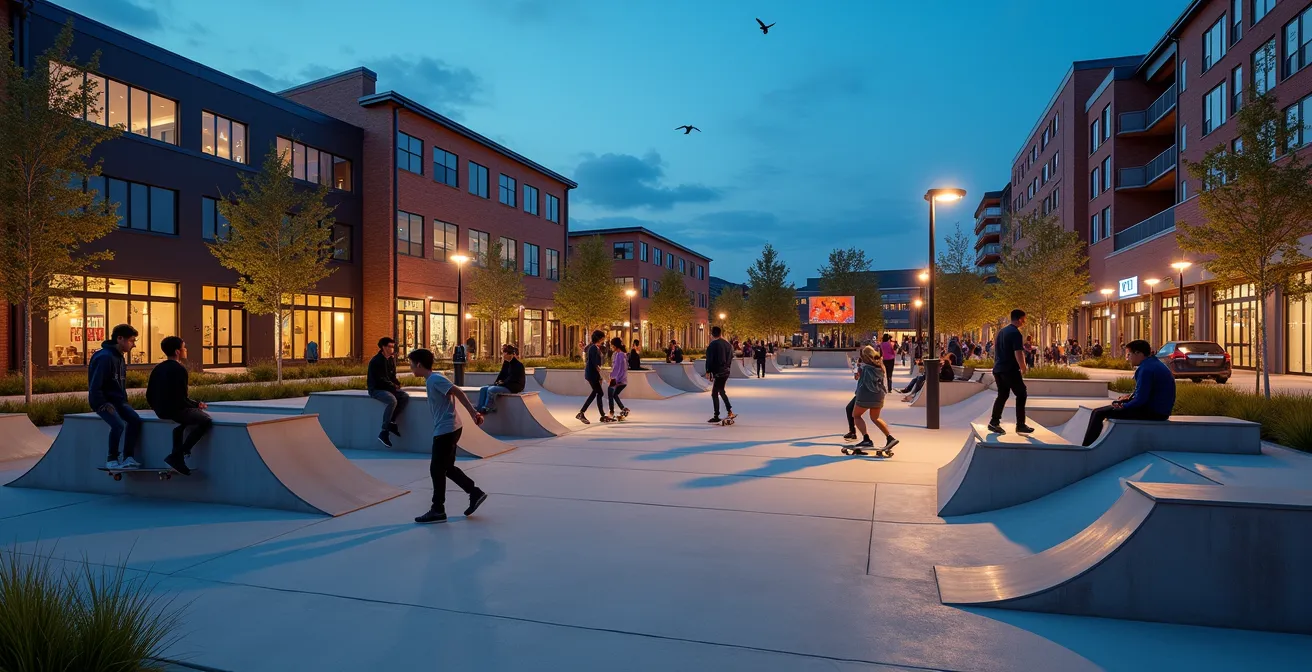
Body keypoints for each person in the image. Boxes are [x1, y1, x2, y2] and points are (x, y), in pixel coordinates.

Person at [406, 348, 488, 524]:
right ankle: (475, 493)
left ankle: (438, 509)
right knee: (447, 468)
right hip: (450, 428)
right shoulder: (432, 380)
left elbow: (457, 391)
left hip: (446, 430)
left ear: (419, 364)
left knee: (436, 469)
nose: (411, 368)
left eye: (411, 365)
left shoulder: (435, 379)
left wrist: (474, 413)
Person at [1081, 340, 1174, 446]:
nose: (1128, 358)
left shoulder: (1146, 369)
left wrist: (1124, 406)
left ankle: (1086, 448)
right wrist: (1129, 398)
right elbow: (1145, 392)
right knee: (1107, 408)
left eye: (1129, 355)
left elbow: (1141, 399)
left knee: (1098, 413)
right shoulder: (1154, 364)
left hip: (1154, 413)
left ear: (1138, 353)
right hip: (1160, 410)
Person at [145, 336, 211, 475]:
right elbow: (181, 398)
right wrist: (196, 405)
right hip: (174, 410)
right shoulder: (179, 369)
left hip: (161, 410)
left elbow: (149, 394)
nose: (185, 350)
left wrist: (157, 407)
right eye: (183, 347)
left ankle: (178, 452)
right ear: (177, 352)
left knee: (184, 423)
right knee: (205, 420)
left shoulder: (158, 368)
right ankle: (180, 453)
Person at [90, 324, 143, 470]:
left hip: (119, 401)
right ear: (120, 339)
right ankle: (112, 459)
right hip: (103, 402)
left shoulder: (120, 358)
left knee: (135, 420)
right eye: (131, 341)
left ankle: (128, 457)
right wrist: (103, 404)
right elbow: (95, 385)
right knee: (118, 425)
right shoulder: (104, 357)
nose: (134, 345)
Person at [988, 309, 1034, 435]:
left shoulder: (1002, 332)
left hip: (998, 368)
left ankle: (994, 422)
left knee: (1003, 395)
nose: (1024, 322)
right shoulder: (1015, 333)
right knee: (1021, 394)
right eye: (1024, 319)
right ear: (1019, 319)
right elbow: (1018, 352)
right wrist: (1023, 367)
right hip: (1009, 369)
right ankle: (1020, 425)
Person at [848, 346, 898, 454]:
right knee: (875, 418)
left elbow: (864, 383)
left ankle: (866, 439)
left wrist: (858, 391)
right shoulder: (880, 366)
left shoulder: (866, 368)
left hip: (866, 395)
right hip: (879, 396)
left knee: (856, 415)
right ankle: (890, 437)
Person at [368, 337, 409, 448]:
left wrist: (397, 384)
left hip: (388, 388)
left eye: (393, 346)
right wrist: (393, 386)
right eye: (390, 347)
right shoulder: (376, 361)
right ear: (383, 347)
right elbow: (380, 379)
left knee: (404, 397)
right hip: (376, 389)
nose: (392, 349)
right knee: (392, 400)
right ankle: (384, 431)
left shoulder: (391, 360)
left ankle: (391, 422)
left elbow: (392, 377)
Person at [475, 344, 526, 414]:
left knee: (491, 390)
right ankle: (479, 408)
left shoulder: (517, 365)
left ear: (510, 354)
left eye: (504, 354)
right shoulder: (506, 363)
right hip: (505, 385)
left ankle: (489, 407)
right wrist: (496, 383)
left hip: (513, 387)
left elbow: (512, 378)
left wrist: (503, 383)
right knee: (483, 389)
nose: (503, 356)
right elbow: (502, 374)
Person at [704, 325, 735, 423]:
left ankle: (716, 415)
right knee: (721, 390)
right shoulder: (728, 344)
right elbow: (731, 357)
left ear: (712, 334)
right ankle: (729, 411)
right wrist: (727, 367)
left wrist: (708, 371)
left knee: (714, 394)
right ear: (720, 333)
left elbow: (710, 359)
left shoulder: (713, 345)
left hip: (718, 372)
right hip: (726, 371)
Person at [576, 330, 607, 424]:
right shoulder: (593, 348)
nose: (603, 339)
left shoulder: (594, 347)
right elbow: (594, 363)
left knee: (596, 393)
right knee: (599, 393)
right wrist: (600, 375)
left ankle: (601, 415)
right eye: (602, 338)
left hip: (592, 374)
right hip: (592, 374)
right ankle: (582, 413)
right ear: (599, 338)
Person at [607, 337, 630, 421]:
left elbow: (619, 368)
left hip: (619, 379)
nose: (611, 347)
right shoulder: (621, 354)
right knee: (614, 394)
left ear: (615, 346)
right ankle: (623, 409)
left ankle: (611, 413)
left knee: (610, 393)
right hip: (621, 379)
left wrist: (615, 379)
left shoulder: (619, 355)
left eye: (612, 346)